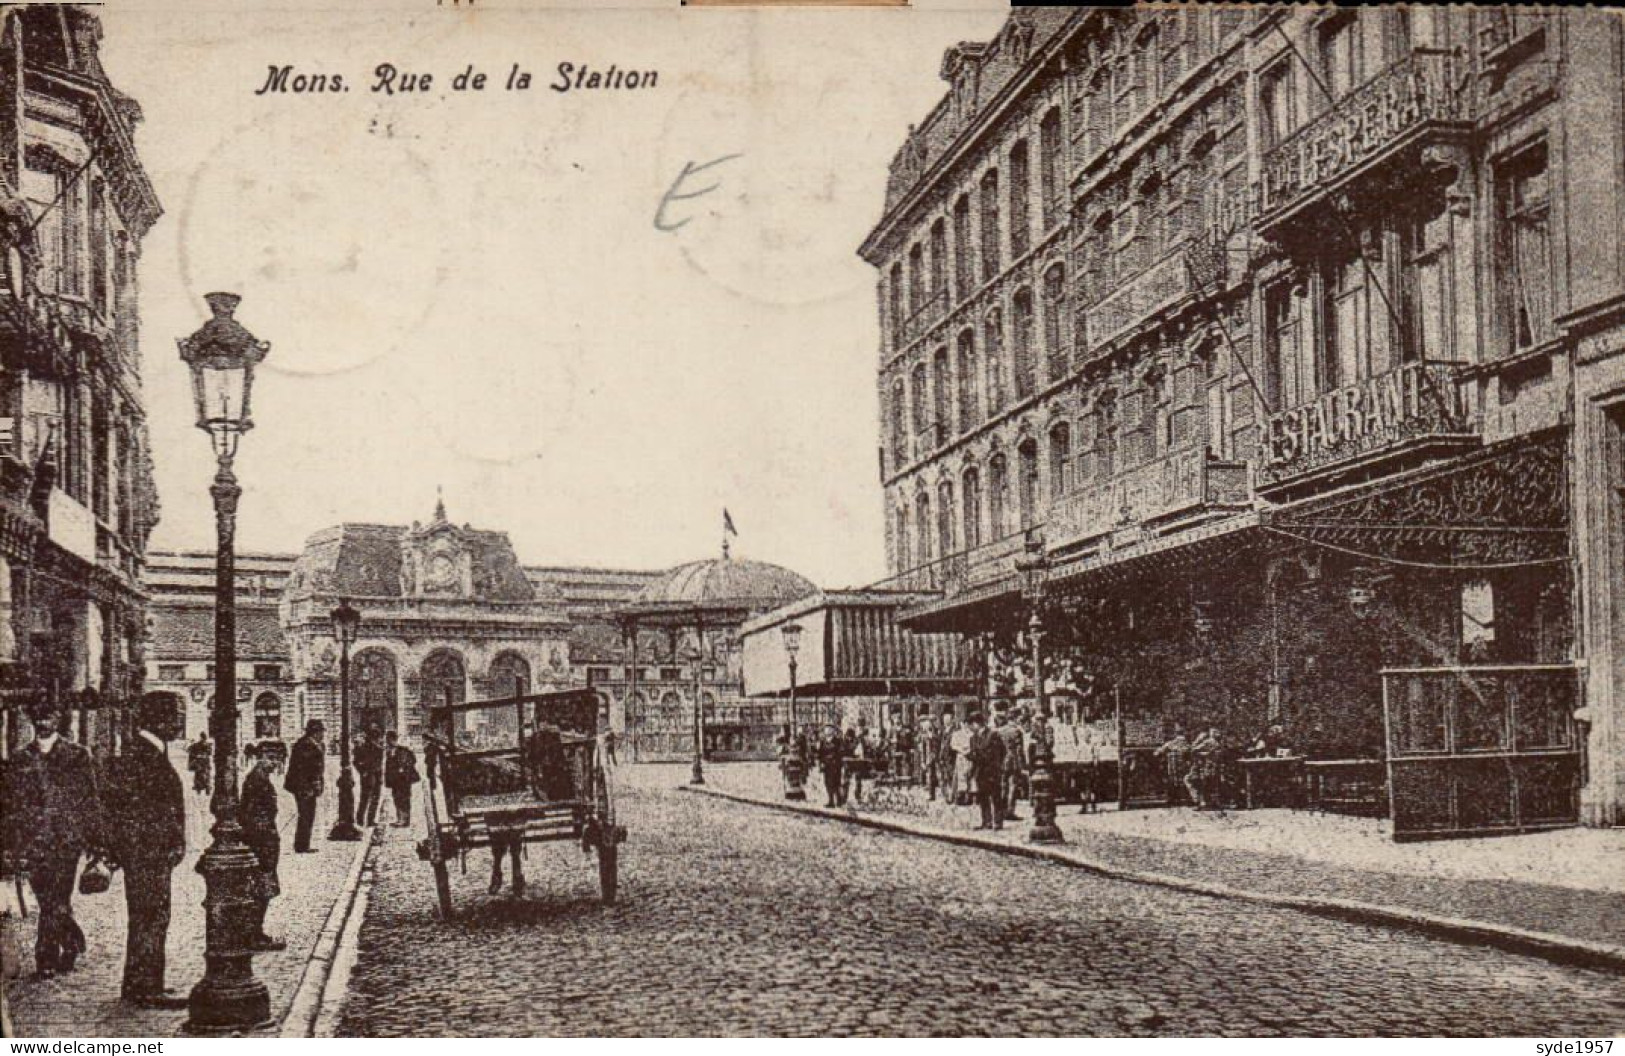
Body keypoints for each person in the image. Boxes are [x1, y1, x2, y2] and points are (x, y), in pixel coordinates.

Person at [4, 696, 101, 980]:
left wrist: (95, 842)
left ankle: (45, 958)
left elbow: (89, 798)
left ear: (57, 720)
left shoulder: (77, 755)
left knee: (57, 896)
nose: (44, 723)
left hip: (66, 841)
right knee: (48, 899)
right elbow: (11, 804)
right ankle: (72, 941)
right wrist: (11, 843)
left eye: (49, 718)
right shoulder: (21, 758)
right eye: (39, 719)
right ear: (34, 723)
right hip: (34, 841)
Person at [103, 691, 188, 1008]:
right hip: (148, 856)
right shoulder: (144, 755)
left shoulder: (147, 751)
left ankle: (142, 983)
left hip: (149, 855)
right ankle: (145, 988)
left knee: (148, 917)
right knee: (150, 916)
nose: (179, 722)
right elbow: (133, 813)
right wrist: (162, 846)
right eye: (175, 716)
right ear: (160, 719)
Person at [239, 743, 286, 951]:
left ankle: (254, 932)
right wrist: (265, 838)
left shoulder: (260, 777)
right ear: (259, 757)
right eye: (270, 757)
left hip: (263, 840)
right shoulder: (256, 780)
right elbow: (251, 815)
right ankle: (254, 935)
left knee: (263, 888)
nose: (274, 763)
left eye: (276, 758)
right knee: (261, 888)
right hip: (261, 842)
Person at [284, 719, 326, 853]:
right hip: (303, 786)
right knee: (306, 814)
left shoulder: (313, 744)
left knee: (309, 813)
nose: (322, 735)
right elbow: (304, 768)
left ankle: (303, 844)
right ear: (314, 732)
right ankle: (301, 846)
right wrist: (308, 786)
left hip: (308, 786)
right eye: (320, 732)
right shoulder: (305, 745)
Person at [966, 712, 1006, 830]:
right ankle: (986, 821)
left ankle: (998, 822)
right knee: (983, 797)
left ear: (976, 724)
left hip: (992, 770)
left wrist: (997, 765)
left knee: (996, 797)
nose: (970, 728)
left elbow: (1001, 751)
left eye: (971, 725)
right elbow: (975, 754)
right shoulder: (973, 738)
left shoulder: (993, 735)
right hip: (980, 771)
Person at [383, 731, 419, 827]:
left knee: (404, 799)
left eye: (389, 740)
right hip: (395, 780)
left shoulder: (403, 750)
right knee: (396, 798)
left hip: (404, 779)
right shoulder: (389, 751)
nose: (388, 742)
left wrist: (404, 768)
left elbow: (413, 760)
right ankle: (400, 819)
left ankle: (405, 820)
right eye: (387, 740)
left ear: (394, 740)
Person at [995, 710, 1026, 822]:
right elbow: (1019, 750)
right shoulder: (1017, 731)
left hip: (1001, 762)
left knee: (1003, 786)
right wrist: (1023, 765)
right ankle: (1009, 811)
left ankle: (1000, 810)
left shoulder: (999, 731)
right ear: (1016, 718)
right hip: (1013, 761)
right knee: (1013, 786)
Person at [1186, 726, 1224, 810]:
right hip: (1215, 768)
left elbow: (1194, 750)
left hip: (1206, 767)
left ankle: (1199, 802)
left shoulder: (1208, 742)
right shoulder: (1220, 743)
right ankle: (1214, 801)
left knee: (1195, 781)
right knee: (1212, 784)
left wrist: (1203, 753)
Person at [1154, 726, 1191, 806]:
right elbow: (1190, 753)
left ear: (1175, 734)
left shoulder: (1170, 743)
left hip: (1172, 765)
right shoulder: (1187, 744)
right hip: (1183, 766)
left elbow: (1157, 753)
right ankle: (1186, 798)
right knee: (1183, 780)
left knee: (1172, 781)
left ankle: (1173, 799)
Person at [355, 728, 384, 827]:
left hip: (374, 775)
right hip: (370, 776)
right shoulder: (365, 748)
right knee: (368, 798)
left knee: (368, 798)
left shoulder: (377, 747)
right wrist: (363, 771)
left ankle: (365, 819)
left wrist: (363, 771)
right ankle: (364, 819)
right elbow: (357, 762)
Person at [816, 725, 845, 807]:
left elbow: (841, 752)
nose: (827, 731)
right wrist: (821, 762)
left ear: (833, 731)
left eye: (829, 729)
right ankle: (831, 801)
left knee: (836, 782)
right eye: (826, 729)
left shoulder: (838, 741)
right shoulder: (823, 741)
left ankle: (839, 800)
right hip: (826, 765)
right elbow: (820, 753)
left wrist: (834, 758)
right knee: (827, 783)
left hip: (835, 765)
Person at [186, 732, 212, 796]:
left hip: (204, 763)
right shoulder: (197, 745)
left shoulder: (206, 745)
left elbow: (209, 753)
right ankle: (201, 789)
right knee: (201, 776)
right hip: (201, 763)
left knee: (204, 776)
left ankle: (205, 789)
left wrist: (199, 755)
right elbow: (188, 750)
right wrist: (196, 755)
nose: (203, 739)